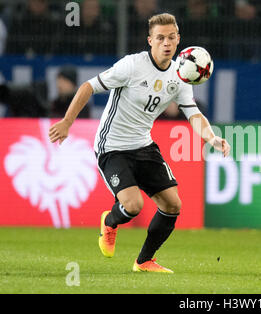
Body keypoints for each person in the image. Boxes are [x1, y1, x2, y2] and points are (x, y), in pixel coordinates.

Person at [48, 13, 230, 273]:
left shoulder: (181, 75)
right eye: (160, 38)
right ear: (150, 41)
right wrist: (67, 122)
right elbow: (88, 87)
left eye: (170, 37)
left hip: (143, 145)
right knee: (133, 206)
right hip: (112, 146)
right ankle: (110, 222)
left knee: (172, 204)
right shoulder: (132, 66)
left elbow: (193, 113)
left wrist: (212, 137)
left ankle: (144, 261)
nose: (166, 43)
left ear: (178, 39)